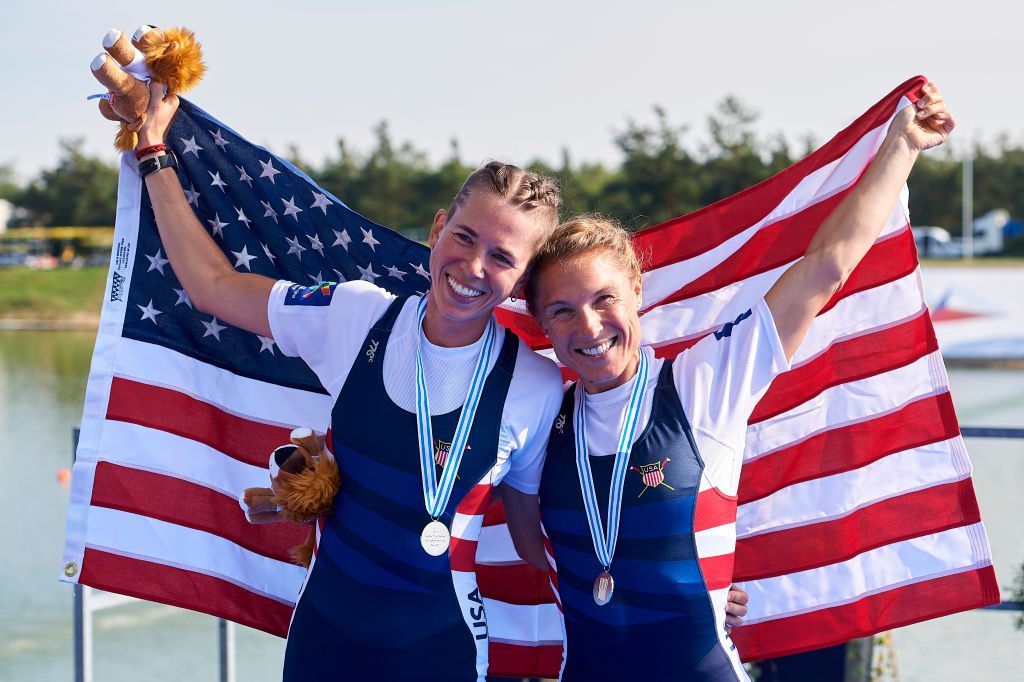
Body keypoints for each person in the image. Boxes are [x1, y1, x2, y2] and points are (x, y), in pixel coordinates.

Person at [133, 79, 751, 680]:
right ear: (435, 230)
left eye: (504, 258)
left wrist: (666, 591)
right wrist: (155, 153)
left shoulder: (534, 387)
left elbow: (541, 538)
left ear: (521, 281)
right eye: (464, 237)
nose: (474, 266)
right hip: (324, 642)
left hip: (443, 652)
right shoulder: (355, 316)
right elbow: (211, 287)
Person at [515, 84, 954, 681]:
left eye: (604, 299)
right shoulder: (539, 413)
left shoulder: (703, 384)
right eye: (562, 310)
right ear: (541, 321)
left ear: (637, 294)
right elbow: (526, 539)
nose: (588, 326)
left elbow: (824, 267)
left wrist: (901, 147)